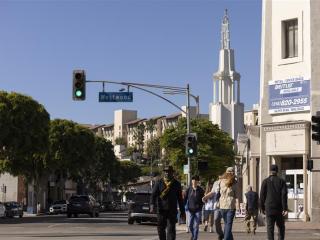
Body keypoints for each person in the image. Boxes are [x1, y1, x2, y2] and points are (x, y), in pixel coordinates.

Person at [150, 165, 186, 240]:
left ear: (172, 173)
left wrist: (182, 212)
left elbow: (180, 199)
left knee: (171, 229)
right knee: (160, 228)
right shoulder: (159, 182)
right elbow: (153, 195)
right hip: (161, 209)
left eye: (169, 172)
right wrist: (152, 205)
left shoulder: (176, 184)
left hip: (172, 210)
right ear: (164, 173)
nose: (167, 173)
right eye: (165, 172)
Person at [260, 164, 288, 240]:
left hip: (269, 208)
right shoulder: (281, 181)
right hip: (279, 208)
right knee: (281, 227)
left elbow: (262, 196)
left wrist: (262, 208)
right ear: (277, 171)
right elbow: (284, 195)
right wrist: (285, 208)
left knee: (270, 228)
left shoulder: (265, 181)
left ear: (270, 171)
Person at [184, 175, 204, 240]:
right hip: (190, 210)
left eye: (195, 180)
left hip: (198, 210)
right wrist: (182, 206)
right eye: (193, 180)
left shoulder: (200, 190)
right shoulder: (189, 189)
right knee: (190, 225)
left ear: (198, 181)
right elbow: (185, 198)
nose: (194, 181)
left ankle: (195, 238)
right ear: (191, 181)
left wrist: (201, 206)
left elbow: (203, 199)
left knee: (196, 225)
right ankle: (193, 235)